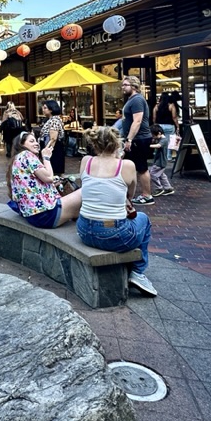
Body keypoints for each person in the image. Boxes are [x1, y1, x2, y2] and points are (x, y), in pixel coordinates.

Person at [75, 126, 157, 296]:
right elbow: (129, 196)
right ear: (117, 144)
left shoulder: (86, 161)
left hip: (84, 230)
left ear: (95, 144)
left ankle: (135, 271)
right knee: (143, 219)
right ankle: (138, 272)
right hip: (113, 235)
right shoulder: (126, 165)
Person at [6, 131, 81, 228]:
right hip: (46, 214)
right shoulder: (27, 155)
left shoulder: (16, 160)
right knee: (86, 190)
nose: (36, 144)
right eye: (31, 141)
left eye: (36, 141)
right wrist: (46, 158)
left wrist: (52, 185)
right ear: (21, 144)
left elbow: (31, 184)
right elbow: (48, 178)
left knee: (79, 211)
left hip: (34, 216)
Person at [121, 76, 155, 205]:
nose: (123, 87)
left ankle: (147, 196)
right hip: (134, 138)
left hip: (139, 138)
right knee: (129, 165)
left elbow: (137, 121)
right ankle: (128, 194)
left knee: (141, 167)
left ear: (134, 86)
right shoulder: (131, 100)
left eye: (125, 85)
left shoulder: (137, 100)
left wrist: (129, 139)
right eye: (122, 85)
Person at [39, 100, 66, 175]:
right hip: (52, 148)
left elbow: (53, 139)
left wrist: (46, 150)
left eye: (45, 108)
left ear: (51, 109)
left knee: (52, 172)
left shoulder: (54, 120)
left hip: (53, 150)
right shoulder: (51, 119)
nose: (43, 110)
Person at [148, 124, 174, 197]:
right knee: (161, 175)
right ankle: (168, 188)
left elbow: (158, 146)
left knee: (152, 173)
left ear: (159, 133)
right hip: (161, 161)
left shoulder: (164, 140)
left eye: (154, 135)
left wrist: (148, 145)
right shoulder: (160, 139)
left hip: (160, 162)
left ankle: (159, 188)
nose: (153, 137)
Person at [153, 92, 179, 158]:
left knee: (159, 141)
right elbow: (174, 117)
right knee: (169, 142)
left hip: (159, 126)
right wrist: (177, 126)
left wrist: (155, 125)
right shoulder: (171, 106)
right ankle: (168, 157)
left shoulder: (156, 106)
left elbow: (154, 117)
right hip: (169, 126)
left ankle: (159, 157)